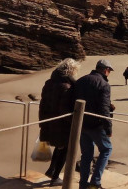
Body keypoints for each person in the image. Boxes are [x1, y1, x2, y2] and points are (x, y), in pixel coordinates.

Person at [74, 59, 114, 189]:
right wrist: (108, 128)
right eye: (109, 71)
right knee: (106, 149)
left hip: (81, 123)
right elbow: (103, 110)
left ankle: (83, 185)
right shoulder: (104, 84)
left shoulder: (81, 80)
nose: (109, 73)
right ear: (104, 69)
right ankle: (95, 183)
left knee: (86, 155)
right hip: (96, 124)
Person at [40, 58, 80, 186]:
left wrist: (43, 122)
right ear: (71, 70)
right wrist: (74, 123)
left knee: (59, 146)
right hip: (61, 124)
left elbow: (43, 104)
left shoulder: (49, 83)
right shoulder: (66, 86)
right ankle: (55, 177)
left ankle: (51, 170)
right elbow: (64, 109)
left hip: (49, 121)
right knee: (65, 148)